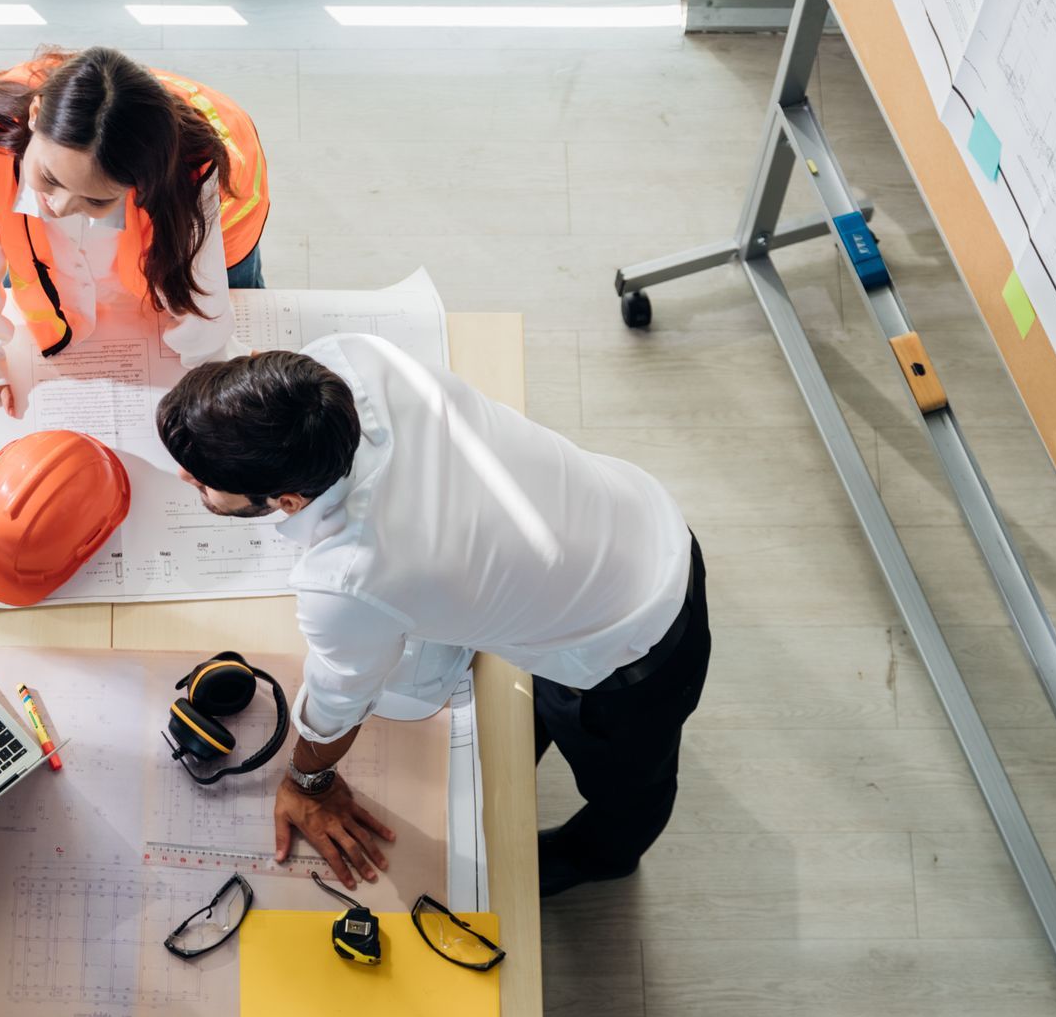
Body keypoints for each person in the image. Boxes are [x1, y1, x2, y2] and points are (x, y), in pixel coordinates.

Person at [155, 335, 709, 898]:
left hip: (636, 635)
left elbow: (337, 702)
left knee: (628, 782)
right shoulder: (350, 357)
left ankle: (603, 856)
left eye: (202, 480)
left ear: (289, 500)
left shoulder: (350, 577)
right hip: (631, 509)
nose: (185, 478)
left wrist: (309, 784)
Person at [0, 47, 270, 436]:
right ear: (35, 116)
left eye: (97, 199)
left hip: (227, 209)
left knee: (227, 280)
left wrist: (215, 368)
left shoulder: (190, 170)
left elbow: (202, 300)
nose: (59, 207)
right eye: (49, 177)